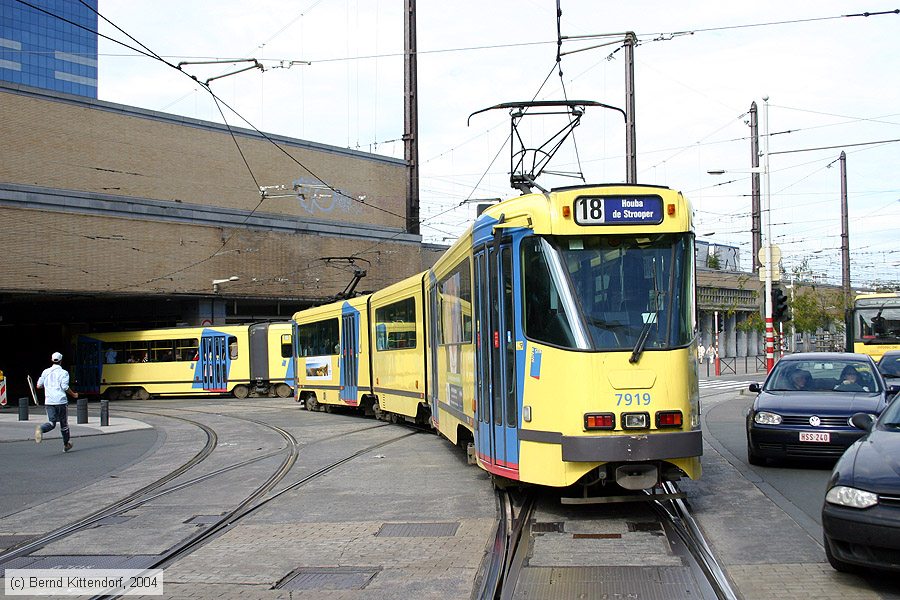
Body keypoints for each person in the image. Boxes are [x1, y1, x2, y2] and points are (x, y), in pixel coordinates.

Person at [35, 352, 79, 452]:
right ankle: (66, 444)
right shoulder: (64, 373)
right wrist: (73, 394)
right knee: (64, 424)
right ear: (61, 361)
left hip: (49, 401)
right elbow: (65, 387)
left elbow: (39, 385)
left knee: (51, 423)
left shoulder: (45, 372)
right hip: (61, 401)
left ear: (52, 360)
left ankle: (41, 429)